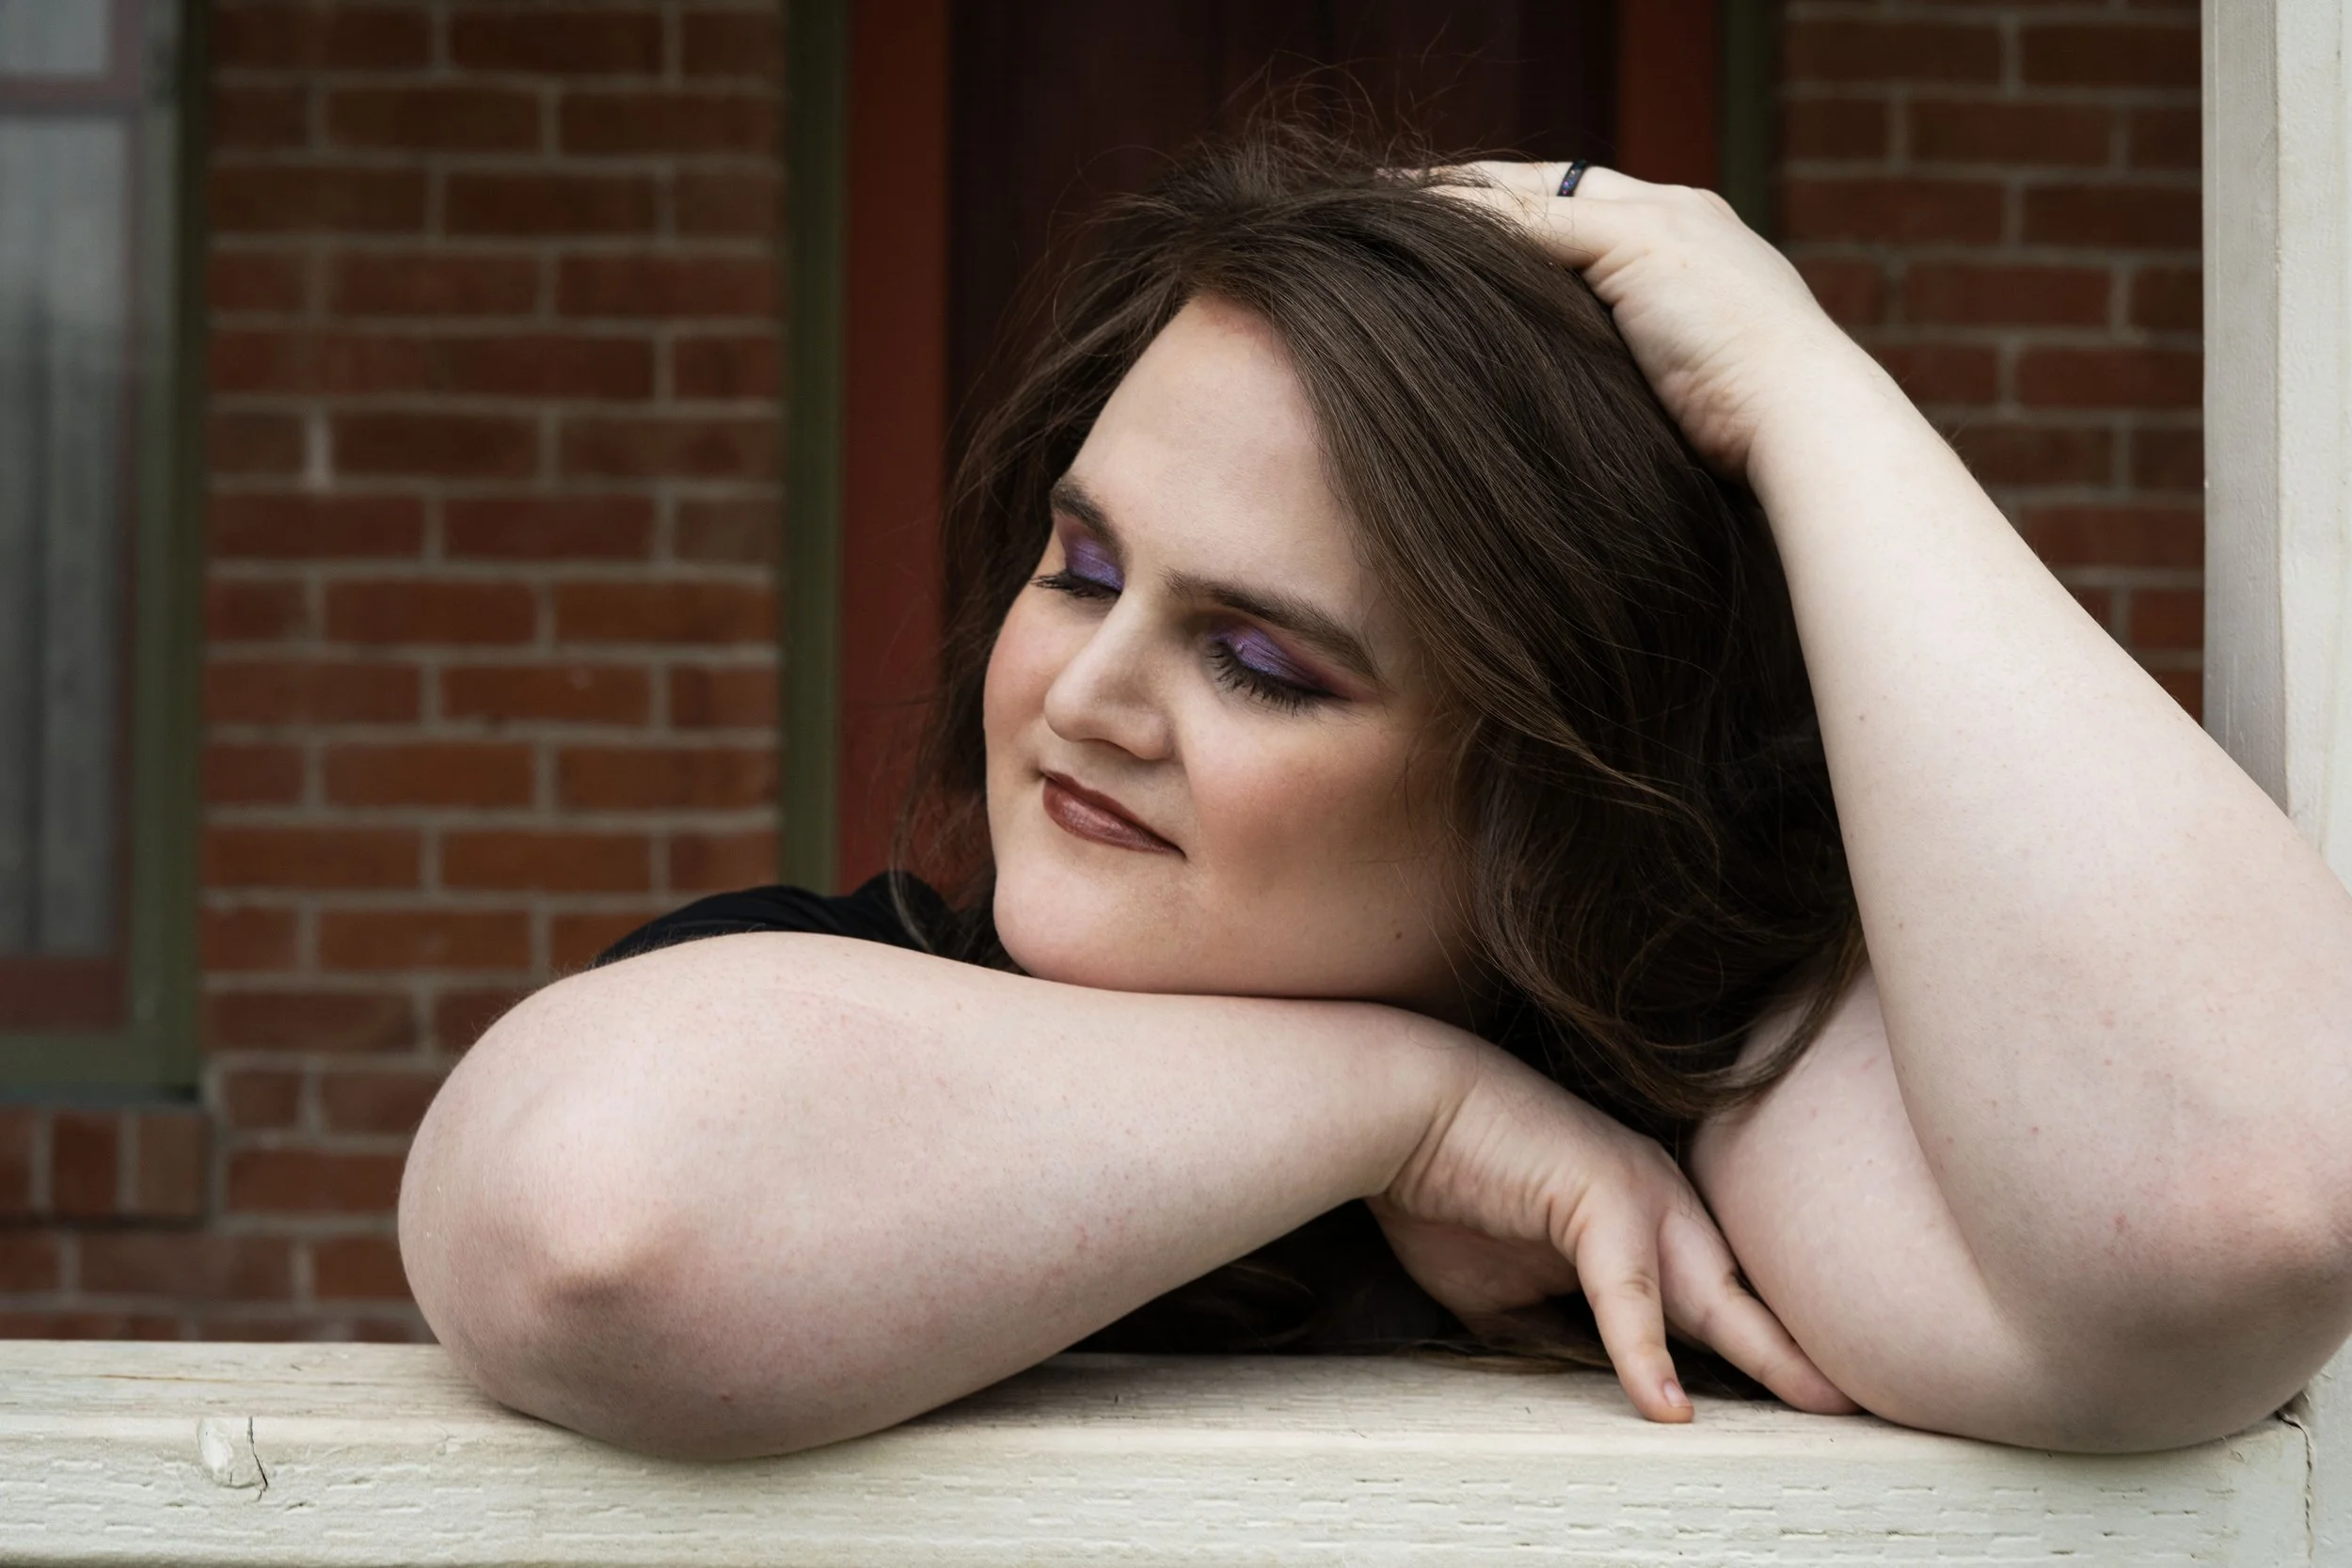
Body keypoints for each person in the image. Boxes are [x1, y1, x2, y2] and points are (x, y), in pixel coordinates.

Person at [396, 133, 2352, 1461]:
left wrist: (1795, 382)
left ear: (1536, 794)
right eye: (1081, 567)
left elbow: (2238, 1205)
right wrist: (1404, 1107)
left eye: (1259, 660)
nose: (1085, 695)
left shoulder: (1701, 1133)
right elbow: (597, 1228)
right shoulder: (817, 1002)